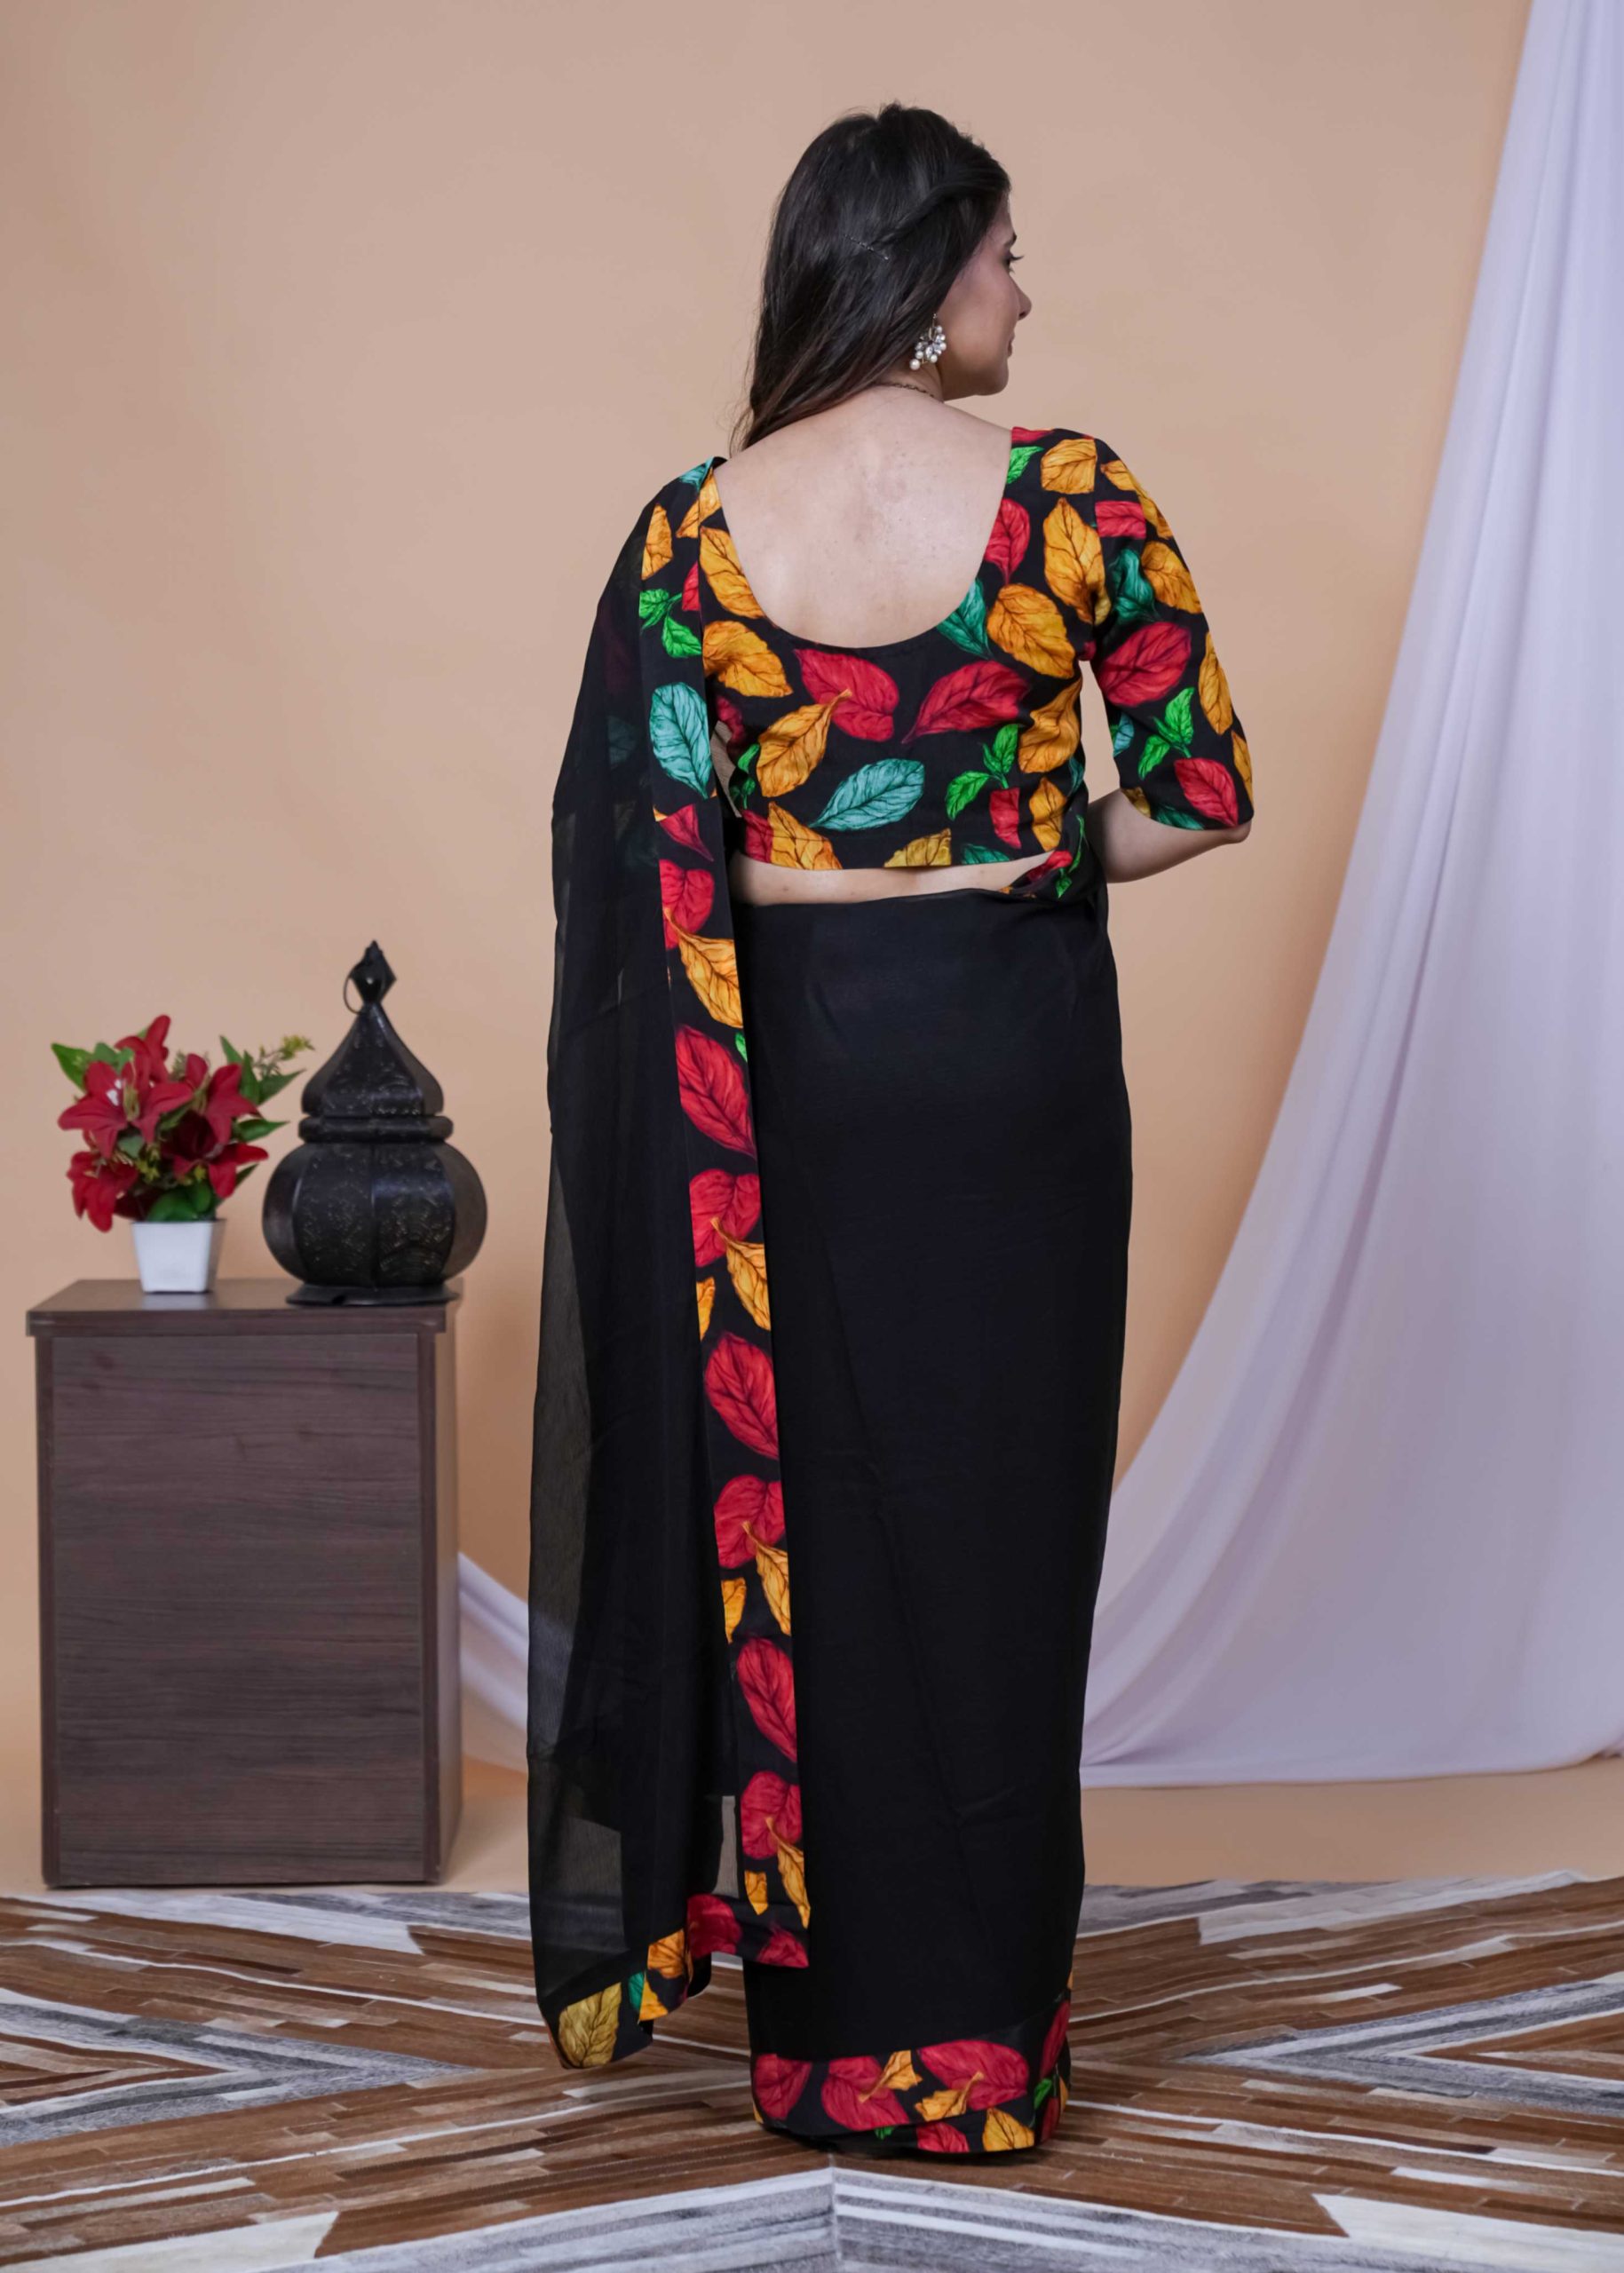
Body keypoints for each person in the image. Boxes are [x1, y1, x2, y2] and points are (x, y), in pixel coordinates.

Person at [527, 100, 1254, 2159]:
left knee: (810, 1521)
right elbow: (1201, 791)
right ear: (930, 274)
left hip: (785, 1082)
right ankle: (984, 2049)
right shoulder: (1073, 499)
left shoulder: (690, 535)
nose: (1027, 289)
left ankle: (823, 2047)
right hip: (1012, 1064)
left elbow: (633, 859)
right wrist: (1028, 851)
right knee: (1005, 1525)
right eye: (1007, 252)